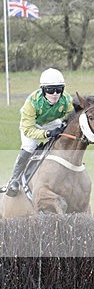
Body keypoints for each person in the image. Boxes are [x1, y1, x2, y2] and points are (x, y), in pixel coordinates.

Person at [1, 68, 73, 197]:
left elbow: (70, 116)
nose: (55, 93)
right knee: (29, 147)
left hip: (52, 122)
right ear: (43, 89)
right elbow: (28, 130)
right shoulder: (31, 103)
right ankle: (14, 180)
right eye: (50, 90)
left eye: (59, 89)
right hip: (32, 125)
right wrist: (47, 134)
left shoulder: (66, 99)